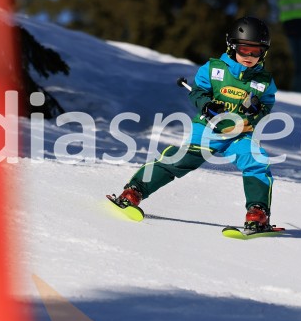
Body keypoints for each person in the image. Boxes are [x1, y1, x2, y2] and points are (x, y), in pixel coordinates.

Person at [111, 17, 278, 234]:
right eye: (244, 50)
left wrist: (256, 109)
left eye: (256, 51)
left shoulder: (264, 81)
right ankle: (134, 191)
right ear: (232, 47)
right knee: (180, 160)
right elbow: (198, 92)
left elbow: (266, 105)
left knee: (256, 160)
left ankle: (257, 213)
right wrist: (207, 106)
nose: (249, 56)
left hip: (239, 134)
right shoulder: (214, 69)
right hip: (207, 130)